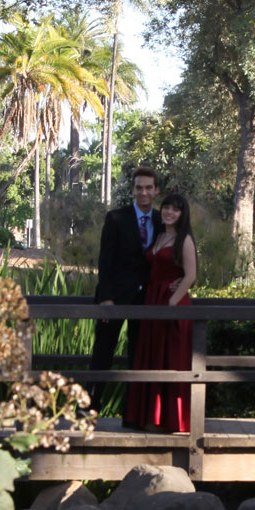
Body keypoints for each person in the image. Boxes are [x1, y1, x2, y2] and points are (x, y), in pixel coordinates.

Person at [91, 165, 161, 421]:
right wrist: (106, 297)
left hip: (146, 300)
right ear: (133, 190)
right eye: (139, 187)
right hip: (115, 298)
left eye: (148, 187)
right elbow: (105, 261)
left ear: (155, 191)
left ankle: (134, 414)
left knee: (139, 357)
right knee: (102, 354)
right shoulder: (116, 218)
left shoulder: (161, 220)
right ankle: (88, 410)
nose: (143, 192)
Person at [125, 193, 197, 433]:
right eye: (166, 207)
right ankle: (150, 418)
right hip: (152, 302)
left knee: (171, 359)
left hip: (172, 305)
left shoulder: (184, 239)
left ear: (181, 213)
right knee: (152, 357)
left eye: (175, 209)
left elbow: (190, 275)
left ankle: (171, 421)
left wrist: (172, 304)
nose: (169, 212)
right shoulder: (159, 235)